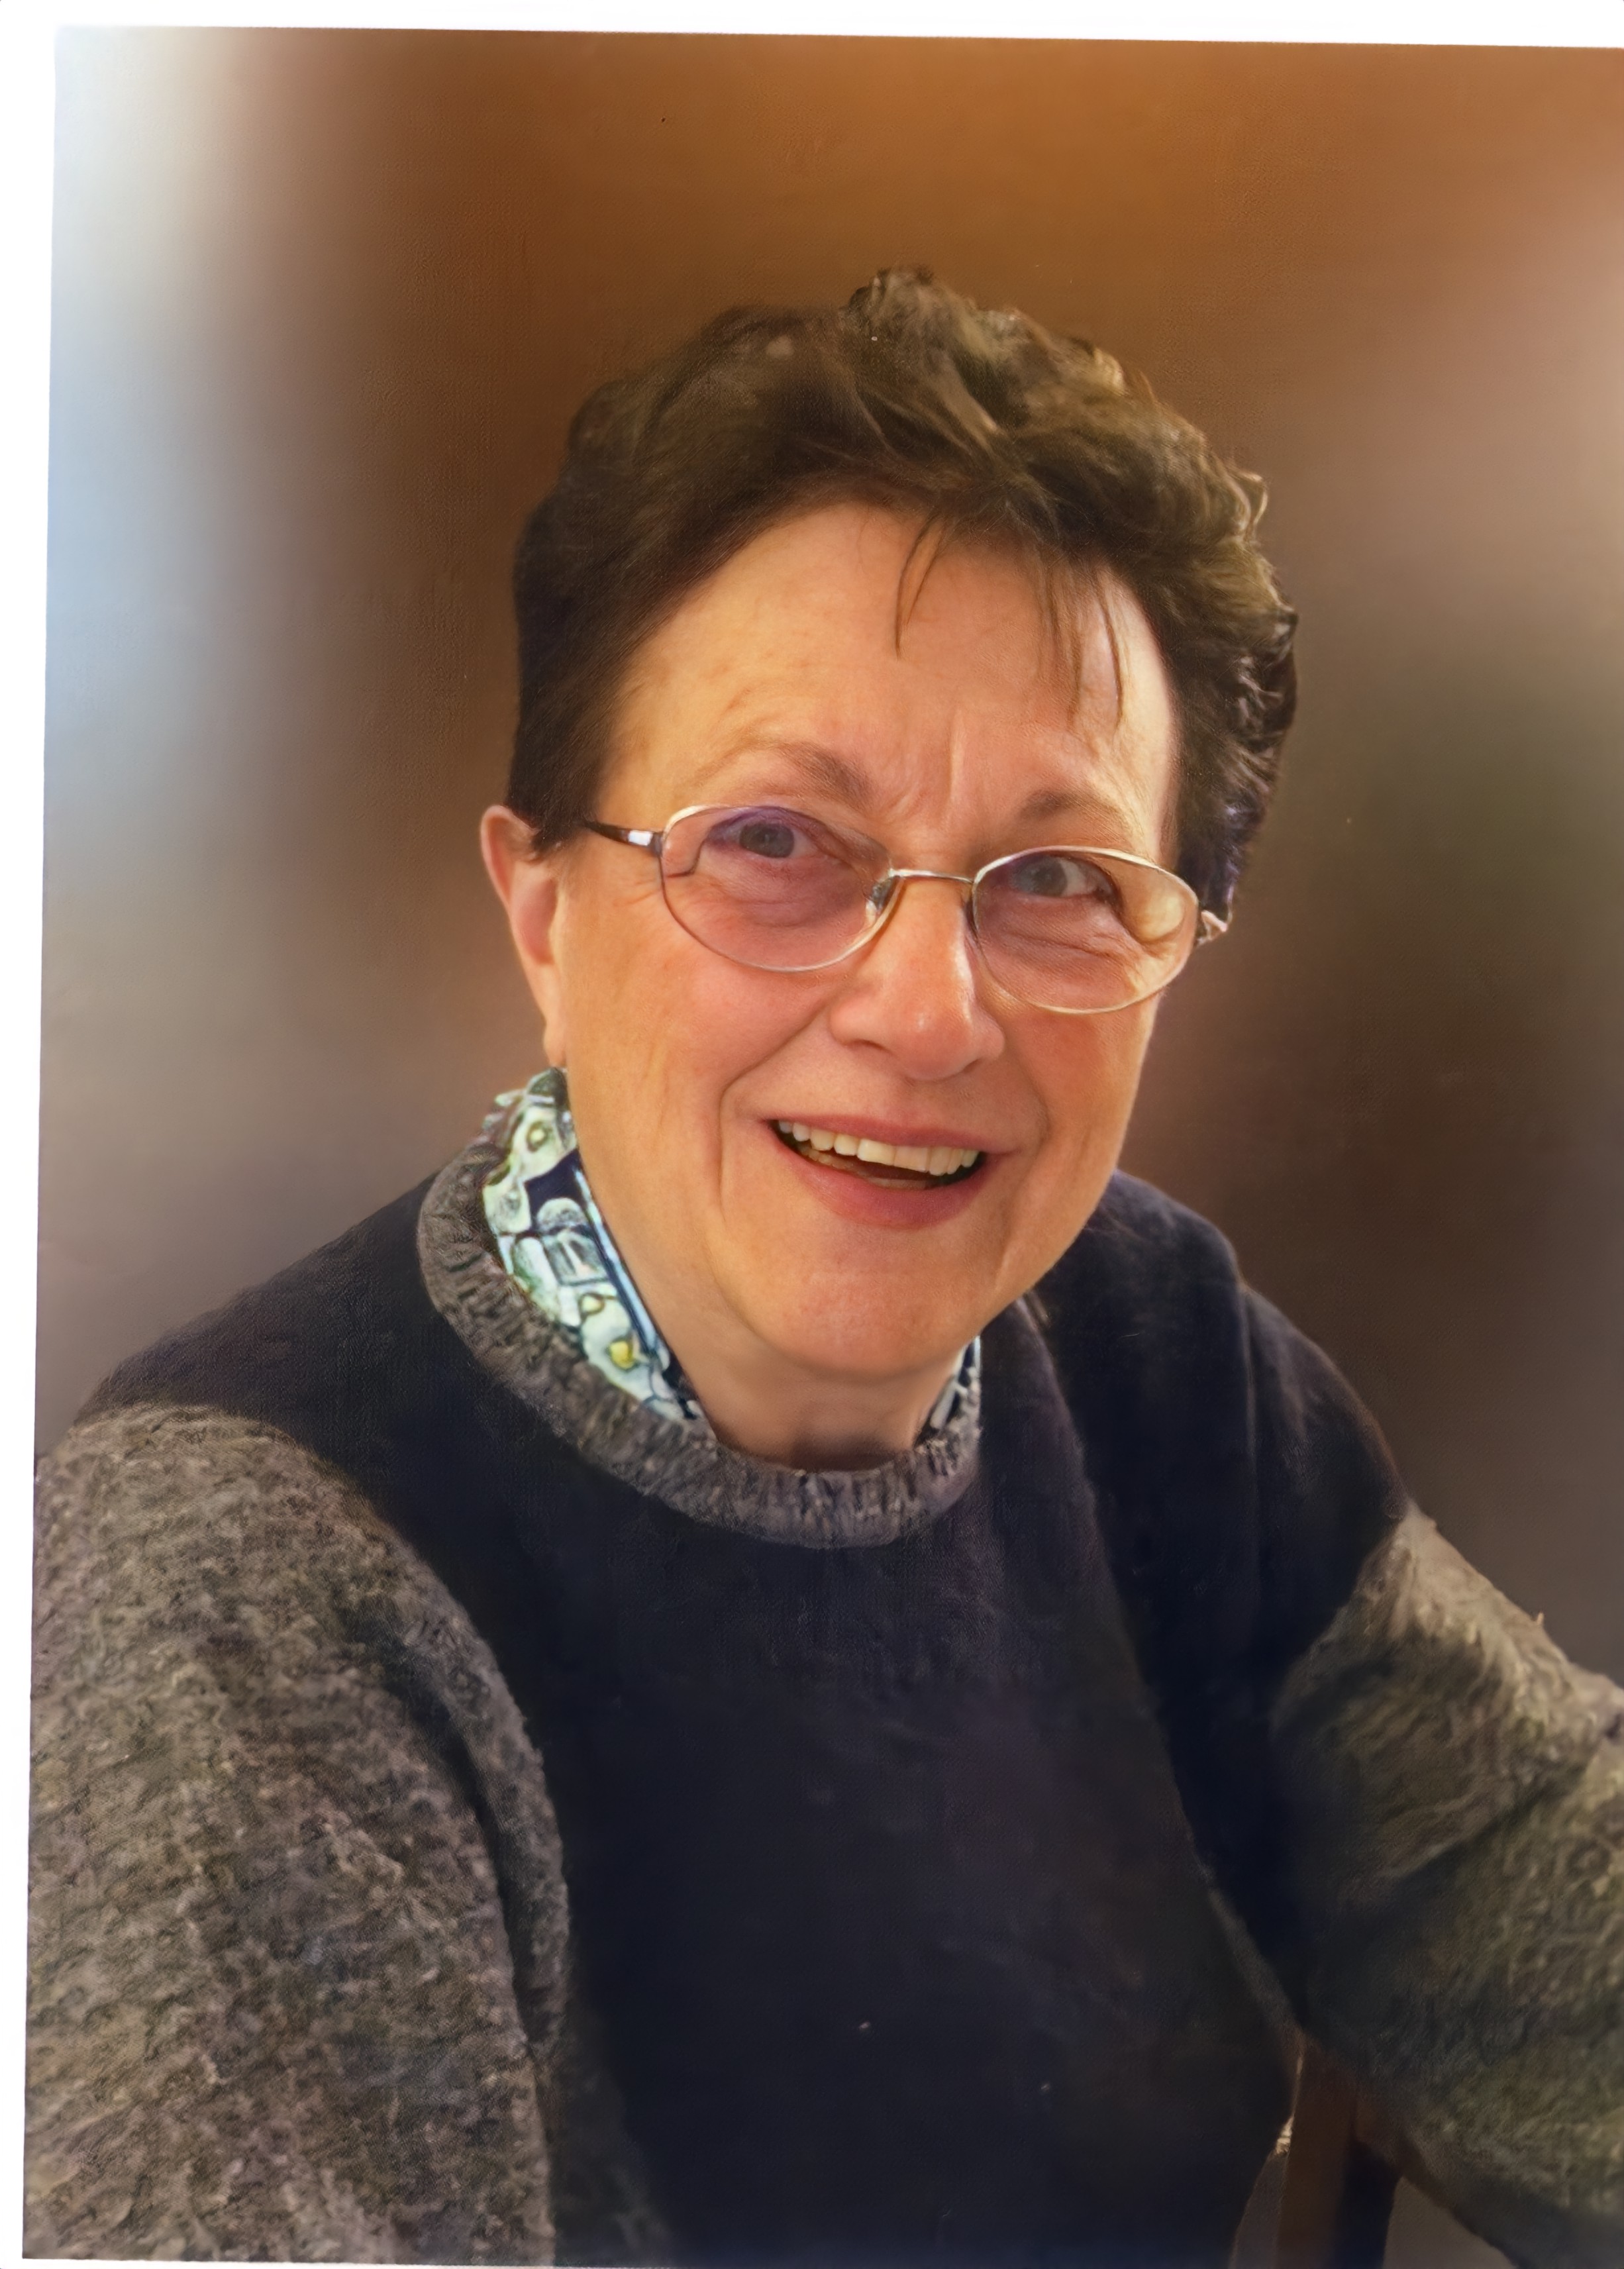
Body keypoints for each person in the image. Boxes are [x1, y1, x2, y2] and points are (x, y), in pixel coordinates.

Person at [26, 270, 1623, 2268]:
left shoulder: (1147, 1361)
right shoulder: (257, 1570)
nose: (927, 1009)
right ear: (542, 912)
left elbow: (1556, 1932)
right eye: (778, 843)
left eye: (1059, 879)